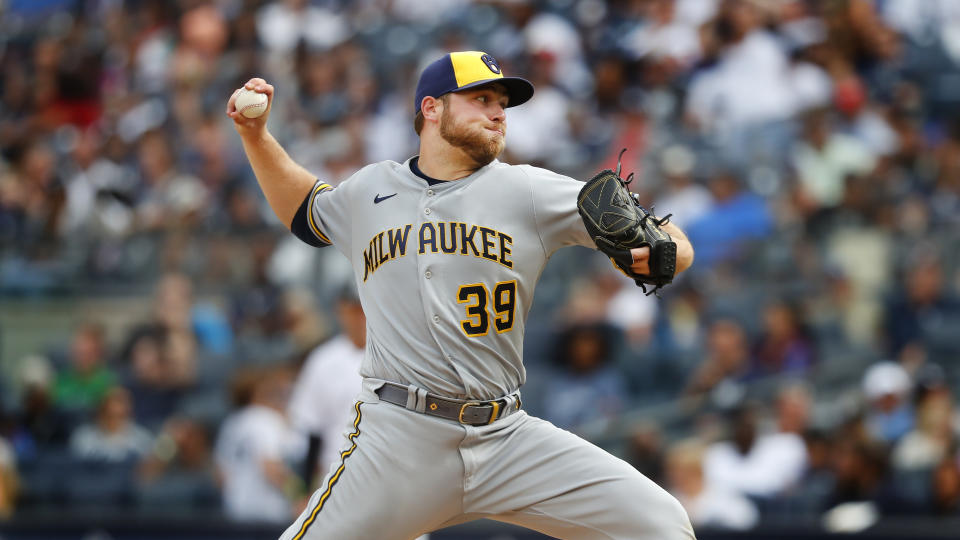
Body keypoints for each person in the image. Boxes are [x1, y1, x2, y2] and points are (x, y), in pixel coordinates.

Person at [227, 50, 695, 539]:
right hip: (399, 442)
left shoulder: (529, 190)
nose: (498, 113)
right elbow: (305, 208)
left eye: (502, 104)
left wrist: (668, 252)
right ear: (431, 108)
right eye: (481, 98)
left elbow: (668, 240)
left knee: (661, 525)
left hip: (505, 437)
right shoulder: (370, 191)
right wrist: (255, 137)